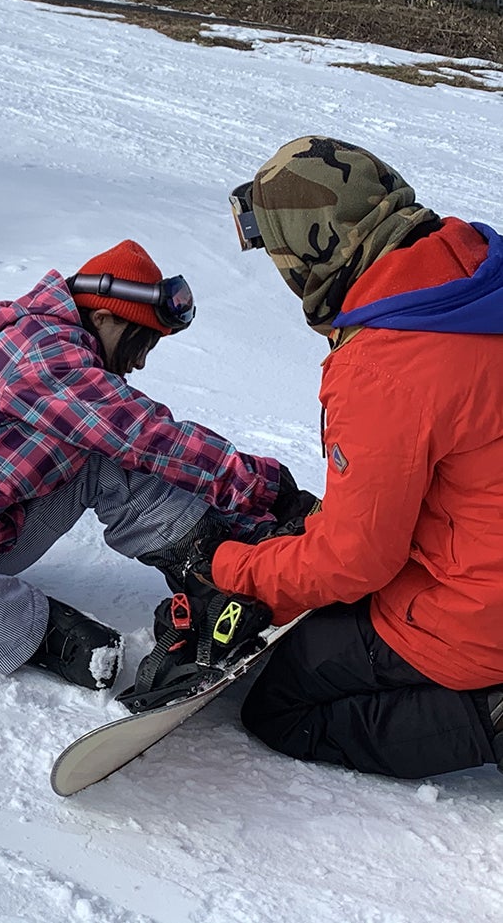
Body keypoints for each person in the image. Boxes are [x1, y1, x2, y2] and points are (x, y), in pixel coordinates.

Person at [0, 239, 303, 691]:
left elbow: (132, 442)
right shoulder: (43, 349)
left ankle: (217, 570)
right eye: (140, 342)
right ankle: (43, 633)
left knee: (104, 456)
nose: (139, 361)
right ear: (103, 315)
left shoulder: (66, 352)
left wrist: (255, 511)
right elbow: (141, 430)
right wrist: (269, 489)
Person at [190, 135, 503, 780]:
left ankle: (489, 716)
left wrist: (232, 569)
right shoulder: (476, 276)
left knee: (281, 706)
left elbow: (356, 559)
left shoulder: (387, 364)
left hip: (478, 614)